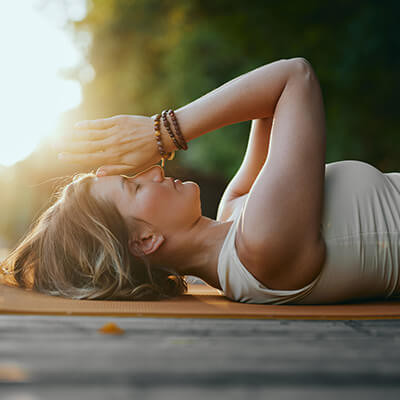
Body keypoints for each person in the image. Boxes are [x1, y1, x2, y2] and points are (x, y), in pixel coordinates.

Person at [2, 58, 400, 304]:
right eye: (134, 187)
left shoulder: (236, 211)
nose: (155, 170)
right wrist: (162, 134)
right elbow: (294, 77)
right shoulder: (260, 246)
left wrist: (156, 138)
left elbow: (266, 108)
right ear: (145, 242)